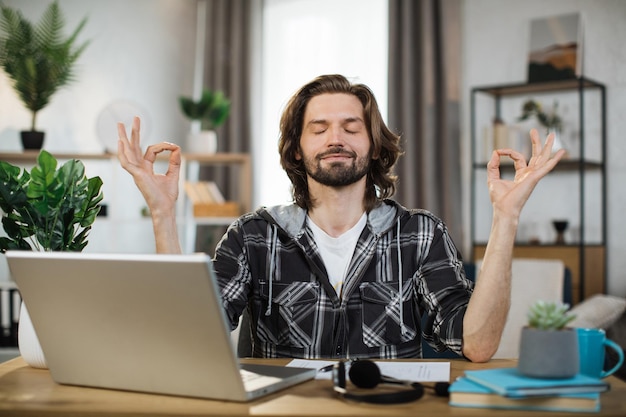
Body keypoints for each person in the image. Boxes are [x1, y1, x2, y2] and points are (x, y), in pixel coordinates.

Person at [118, 74, 564, 362]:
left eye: (352, 128)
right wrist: (162, 214)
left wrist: (506, 216)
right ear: (297, 148)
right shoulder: (253, 236)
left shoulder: (420, 234)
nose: (336, 138)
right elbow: (190, 336)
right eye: (319, 128)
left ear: (373, 145)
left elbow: (478, 345)